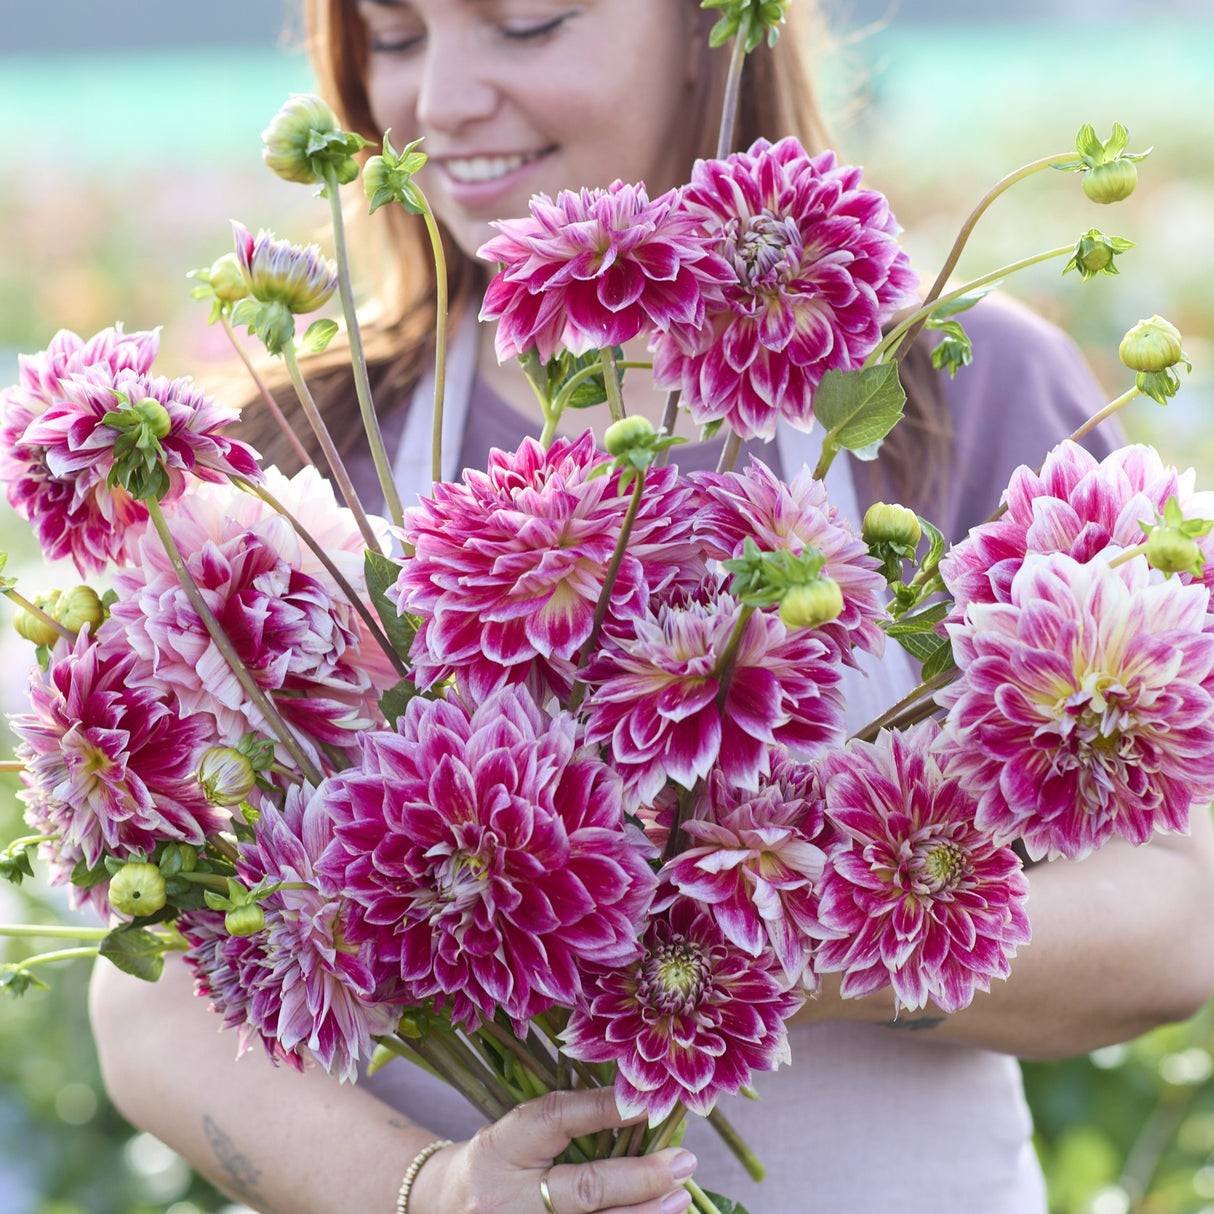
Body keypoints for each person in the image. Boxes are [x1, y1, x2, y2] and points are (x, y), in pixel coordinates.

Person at [88, 1, 1214, 1212]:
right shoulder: (295, 449)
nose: (437, 100)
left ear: (705, 28)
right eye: (397, 34)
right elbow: (153, 1002)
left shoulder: (950, 383)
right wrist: (431, 1188)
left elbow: (1172, 913)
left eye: (523, 25)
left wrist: (757, 928)